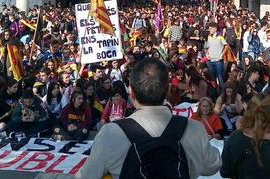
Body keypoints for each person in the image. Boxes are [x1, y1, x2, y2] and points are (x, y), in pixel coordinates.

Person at [78, 58, 222, 179]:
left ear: (132, 93)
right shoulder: (194, 129)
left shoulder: (110, 133)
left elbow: (87, 176)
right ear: (167, 91)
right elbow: (213, 165)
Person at [204, 23, 227, 88]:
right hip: (210, 60)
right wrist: (207, 54)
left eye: (211, 28)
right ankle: (215, 91)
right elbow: (207, 47)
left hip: (218, 61)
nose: (209, 30)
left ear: (215, 29)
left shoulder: (220, 37)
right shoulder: (209, 37)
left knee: (220, 77)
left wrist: (222, 55)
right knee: (212, 78)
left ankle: (222, 92)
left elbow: (226, 46)